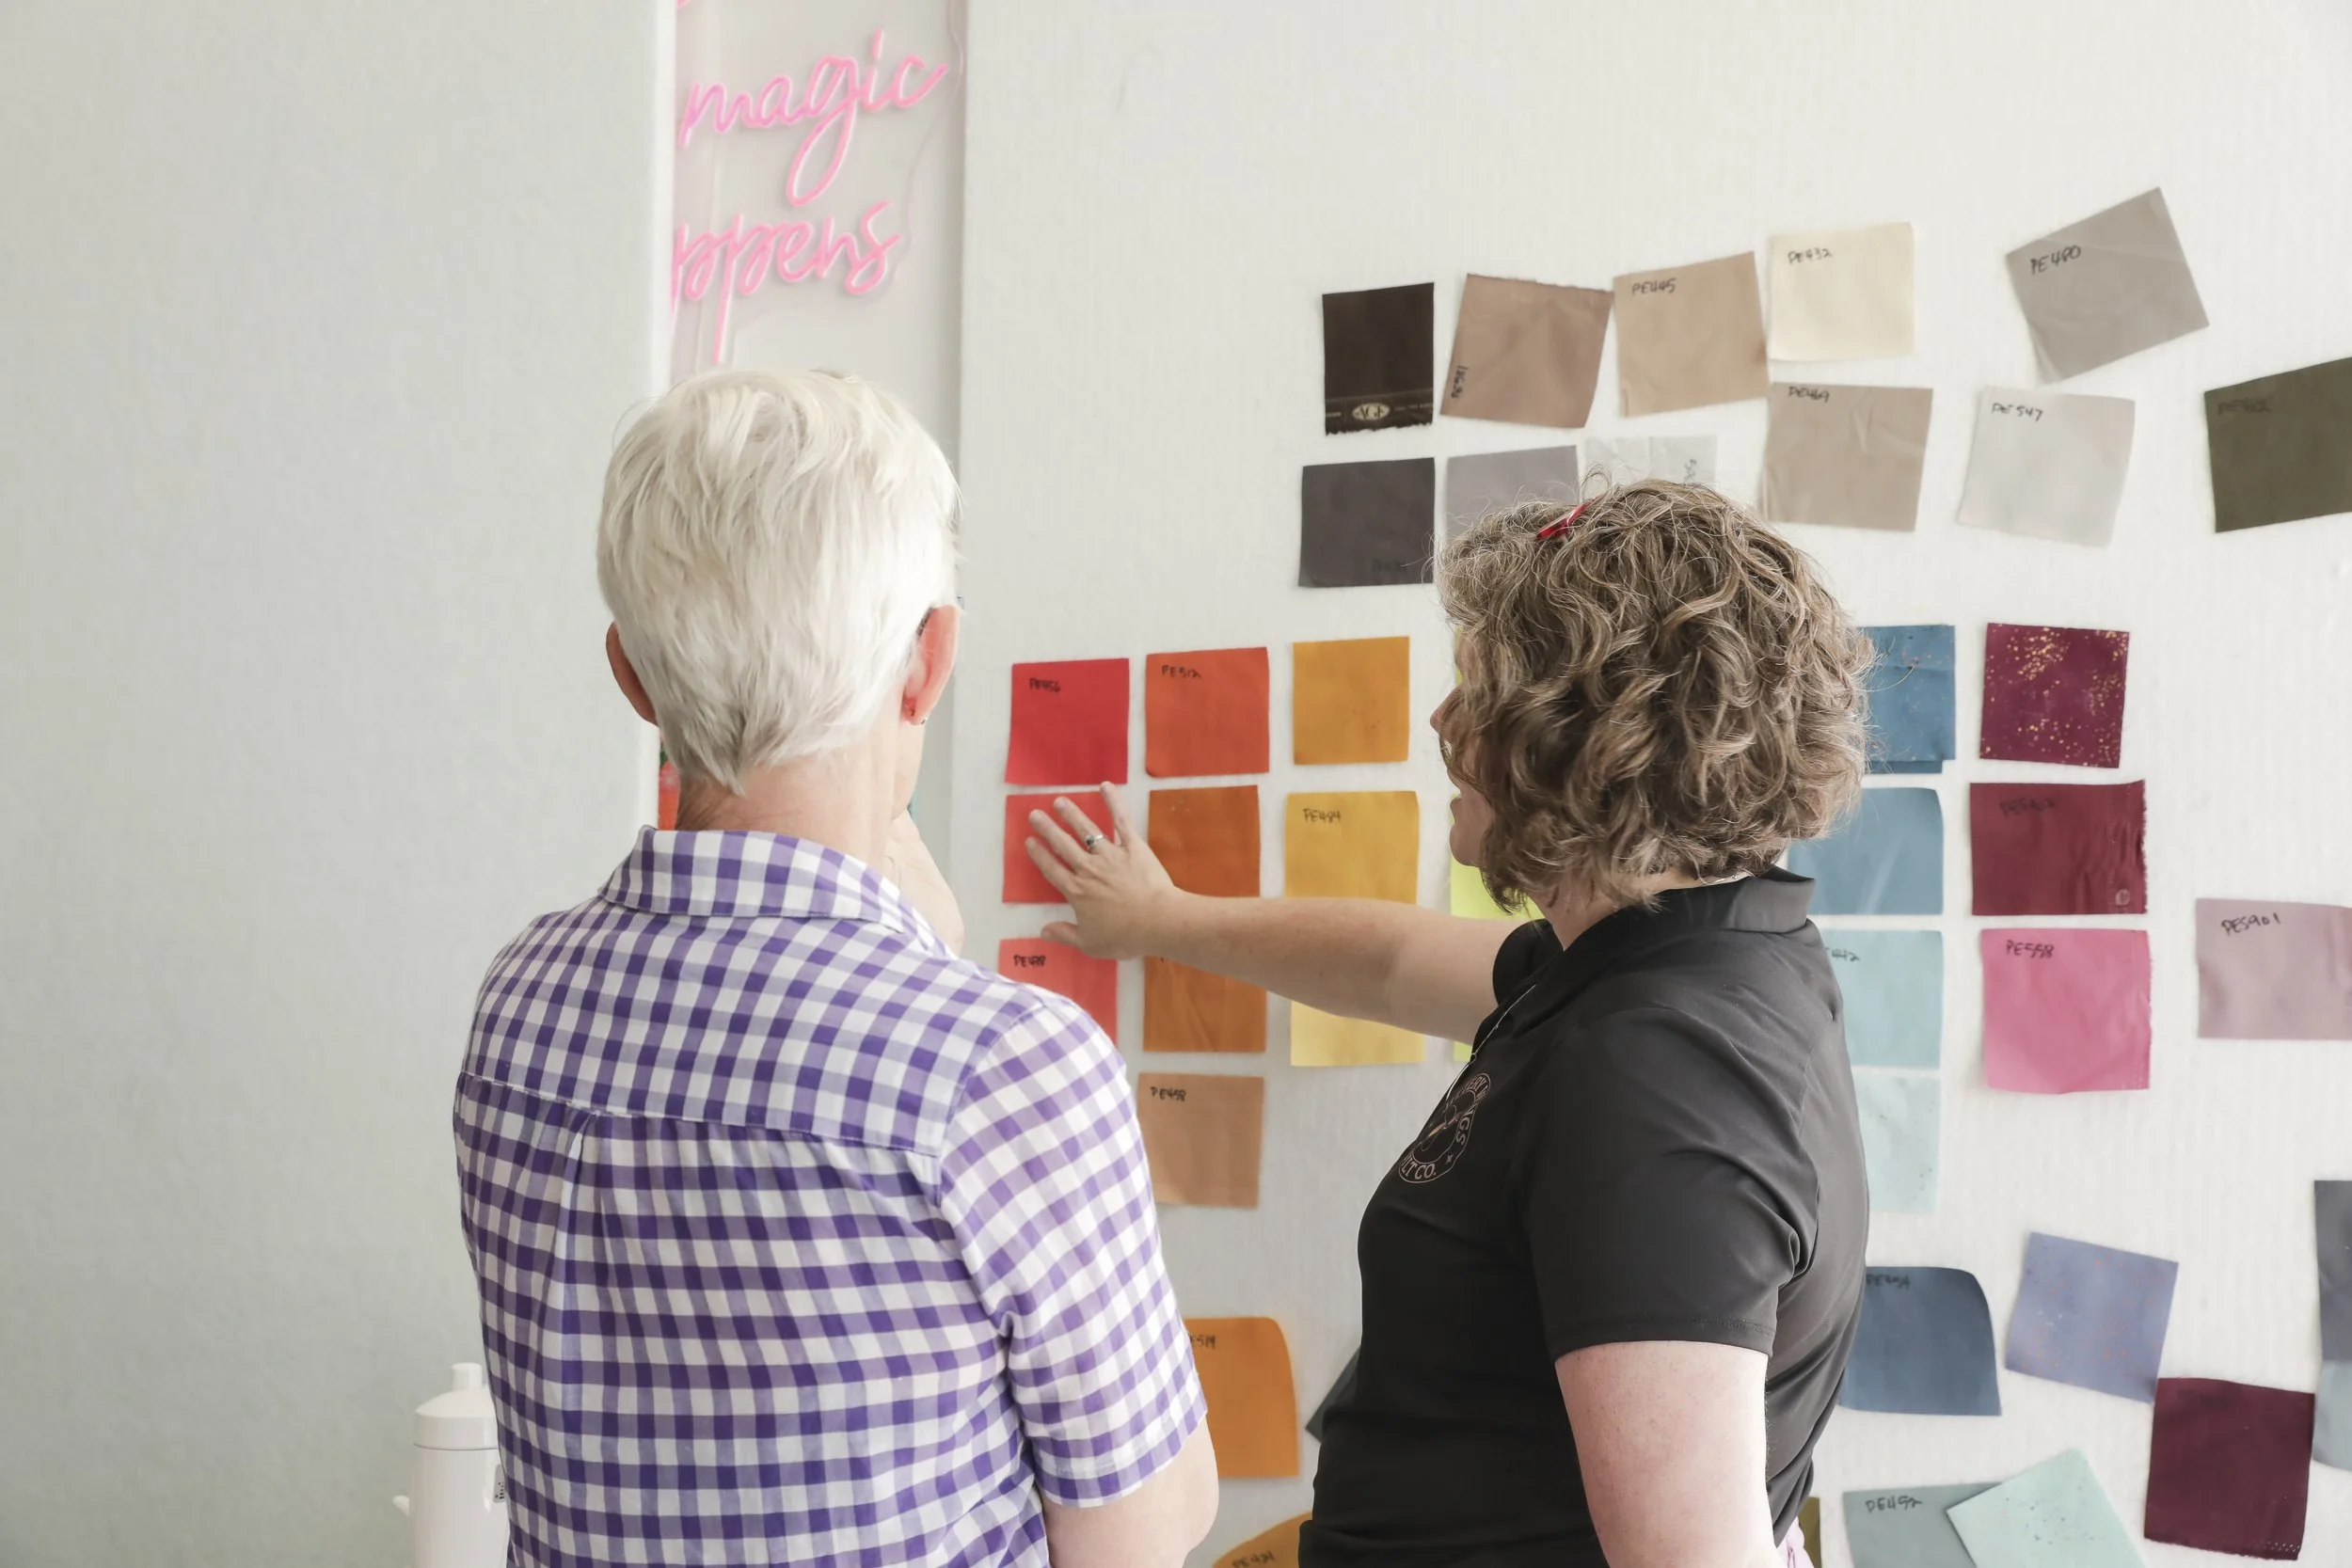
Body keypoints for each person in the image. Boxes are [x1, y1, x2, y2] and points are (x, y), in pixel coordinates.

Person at [1026, 482, 1871, 1568]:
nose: (1440, 721)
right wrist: (1160, 919)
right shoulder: (1693, 950)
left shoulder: (1652, 1077)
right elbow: (1389, 960)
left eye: (1477, 688)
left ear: (1580, 743)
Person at [453, 369, 1216, 1568]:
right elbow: (1142, 1534)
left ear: (630, 675)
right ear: (929, 660)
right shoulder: (1008, 1071)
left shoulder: (521, 1002)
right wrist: (937, 969)